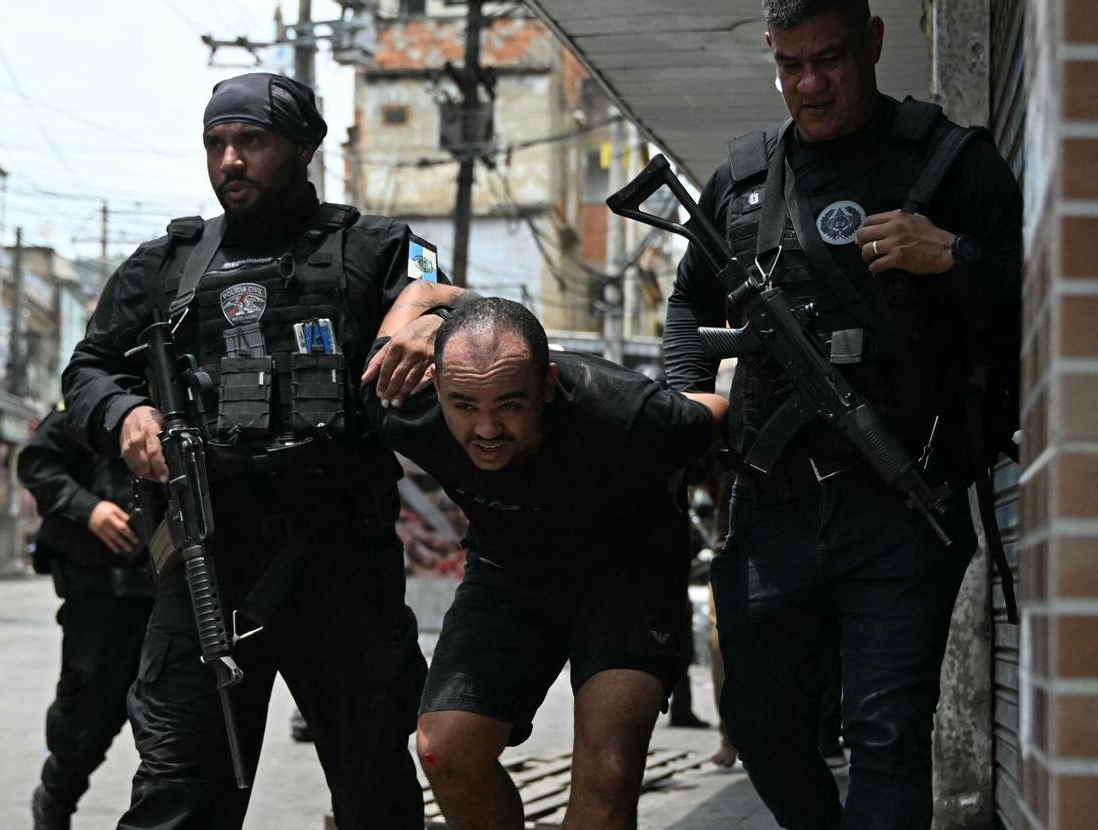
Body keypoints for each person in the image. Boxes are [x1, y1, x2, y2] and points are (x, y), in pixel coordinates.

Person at [61, 72, 472, 830]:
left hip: (340, 560)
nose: (230, 161)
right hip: (206, 562)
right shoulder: (167, 265)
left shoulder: (376, 250)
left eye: (252, 140)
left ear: (303, 147)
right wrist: (126, 412)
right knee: (178, 795)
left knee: (375, 790)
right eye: (216, 143)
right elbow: (87, 368)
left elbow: (465, 312)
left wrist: (434, 321)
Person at [663, 1, 1021, 827]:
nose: (811, 84)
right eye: (791, 65)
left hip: (900, 504)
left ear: (874, 42)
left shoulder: (950, 163)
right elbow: (689, 298)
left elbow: (1042, 298)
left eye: (830, 59)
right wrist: (690, 393)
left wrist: (953, 256)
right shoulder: (745, 181)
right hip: (772, 507)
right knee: (758, 725)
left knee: (886, 736)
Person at [362, 297, 728, 829]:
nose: (486, 429)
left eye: (510, 405)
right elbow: (419, 293)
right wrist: (432, 320)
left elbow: (714, 412)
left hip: (629, 579)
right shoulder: (399, 395)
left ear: (548, 383)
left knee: (607, 774)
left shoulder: (627, 411)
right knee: (445, 750)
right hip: (509, 573)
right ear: (437, 385)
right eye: (464, 405)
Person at [17, 403, 155, 830]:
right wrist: (88, 509)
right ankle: (56, 796)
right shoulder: (92, 396)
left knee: (170, 722)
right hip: (99, 589)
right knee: (88, 709)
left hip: (172, 584)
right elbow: (37, 462)